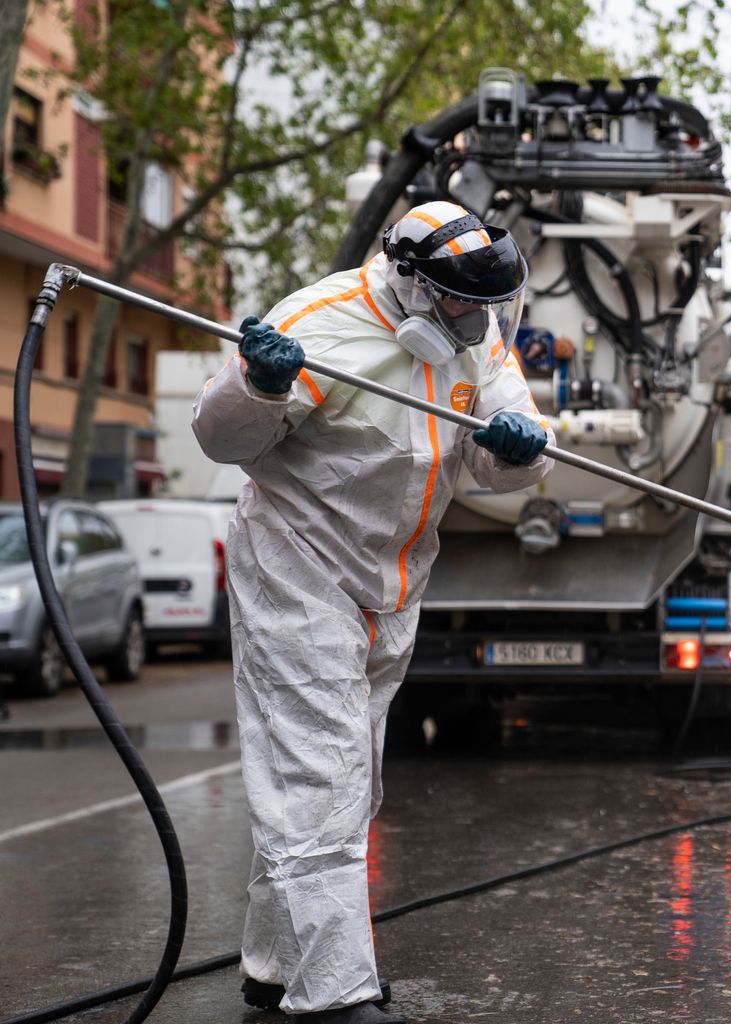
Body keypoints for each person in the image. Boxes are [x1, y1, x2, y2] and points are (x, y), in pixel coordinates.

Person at [192, 201, 553, 1024]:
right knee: (320, 774)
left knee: (346, 782)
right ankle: (335, 996)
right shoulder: (318, 325)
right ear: (411, 282)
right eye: (462, 303)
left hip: (394, 579)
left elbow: (500, 453)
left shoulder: (477, 335)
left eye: (488, 303)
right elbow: (222, 440)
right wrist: (258, 385)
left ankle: (274, 965)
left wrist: (519, 450)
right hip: (297, 564)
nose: (478, 319)